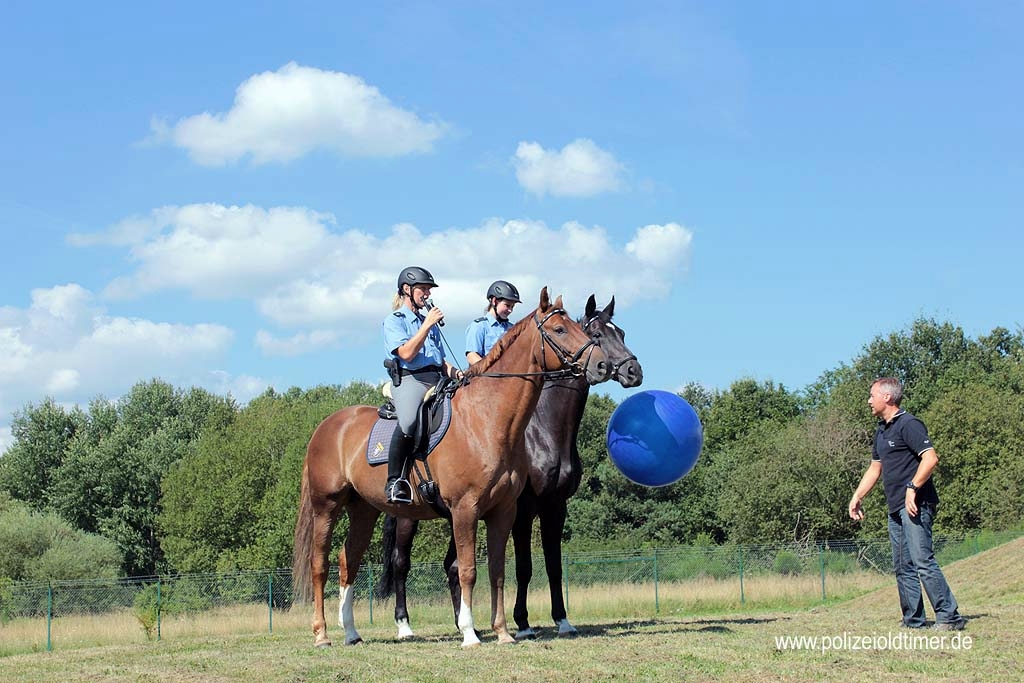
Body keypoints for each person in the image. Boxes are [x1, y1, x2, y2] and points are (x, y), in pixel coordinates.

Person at [847, 377, 966, 630]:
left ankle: (949, 616)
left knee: (922, 560)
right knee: (903, 566)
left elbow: (930, 459)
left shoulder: (909, 424)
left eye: (872, 395)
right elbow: (875, 468)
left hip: (916, 504)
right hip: (895, 507)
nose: (869, 400)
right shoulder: (882, 430)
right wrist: (857, 496)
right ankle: (914, 620)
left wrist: (912, 488)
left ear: (887, 398)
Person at [381, 266, 463, 504]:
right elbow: (406, 353)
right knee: (408, 422)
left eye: (429, 290)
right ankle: (395, 482)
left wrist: (460, 373)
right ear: (407, 290)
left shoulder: (428, 322)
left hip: (437, 378)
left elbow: (440, 359)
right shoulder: (394, 320)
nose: (427, 294)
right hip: (410, 379)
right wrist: (427, 325)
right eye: (423, 289)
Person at [464, 280, 521, 365]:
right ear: (494, 301)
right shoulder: (479, 326)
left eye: (512, 307)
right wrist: (490, 372)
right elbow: (472, 356)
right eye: (507, 305)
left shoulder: (513, 329)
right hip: (486, 377)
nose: (510, 310)